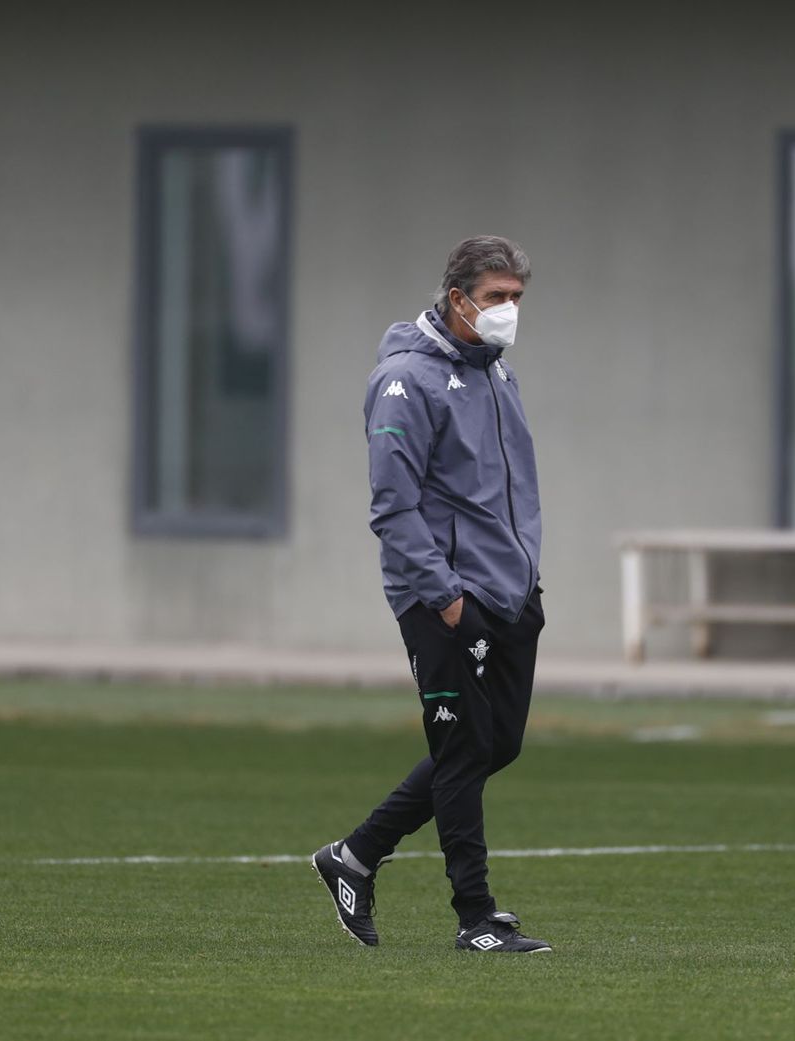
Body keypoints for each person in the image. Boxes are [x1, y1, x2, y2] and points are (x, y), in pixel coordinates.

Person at [312, 236, 550, 954]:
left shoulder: (497, 374)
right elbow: (393, 506)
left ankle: (354, 855)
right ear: (457, 299)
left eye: (517, 298)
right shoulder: (403, 382)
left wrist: (526, 572)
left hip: (510, 592)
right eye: (497, 297)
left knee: (491, 744)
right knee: (462, 749)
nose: (509, 311)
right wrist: (446, 599)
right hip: (444, 599)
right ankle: (475, 917)